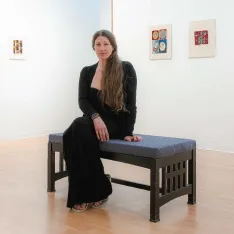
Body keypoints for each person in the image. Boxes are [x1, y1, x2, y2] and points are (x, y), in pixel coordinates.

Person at [63, 29, 142, 213]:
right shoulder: (87, 71)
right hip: (92, 122)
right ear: (93, 47)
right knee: (72, 134)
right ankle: (100, 186)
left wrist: (128, 133)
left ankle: (83, 194)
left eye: (106, 44)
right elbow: (83, 100)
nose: (102, 48)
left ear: (113, 46)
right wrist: (95, 117)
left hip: (115, 124)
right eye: (98, 44)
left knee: (76, 128)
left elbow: (131, 104)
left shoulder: (126, 68)